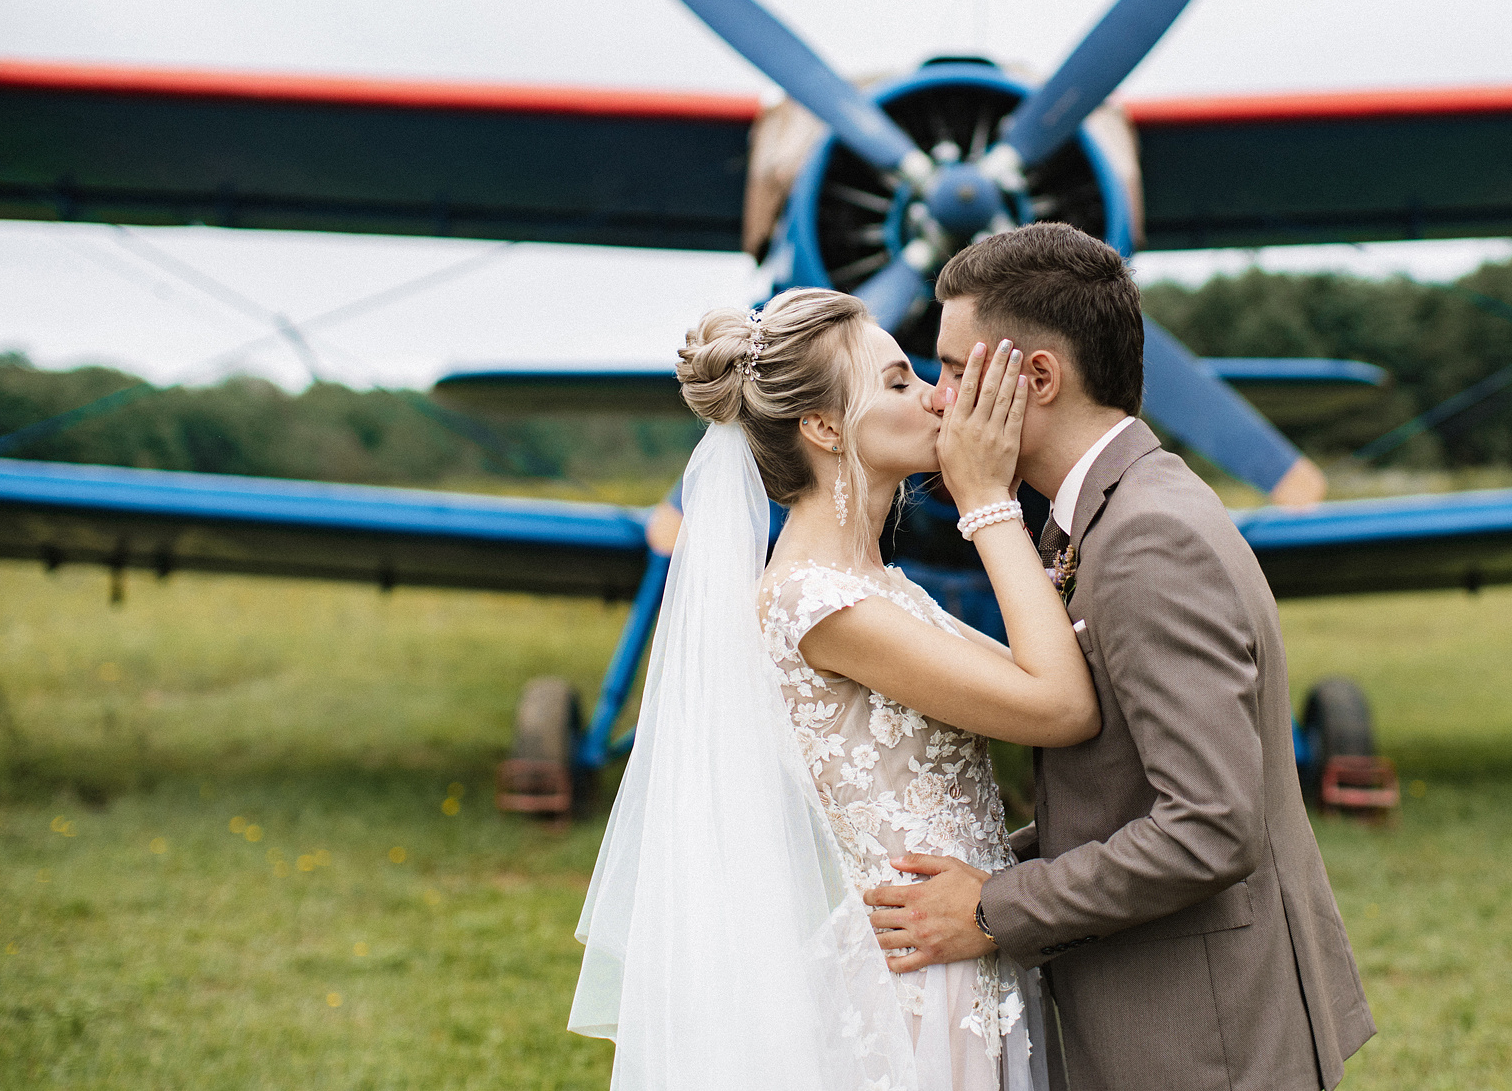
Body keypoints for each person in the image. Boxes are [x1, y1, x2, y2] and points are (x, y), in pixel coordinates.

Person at [864, 223, 1377, 1090]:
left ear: (1036, 378)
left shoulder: (1146, 538)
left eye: (956, 369)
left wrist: (992, 909)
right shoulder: (1111, 509)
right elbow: (1123, 785)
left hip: (1203, 1044)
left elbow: (1212, 826)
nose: (940, 399)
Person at [570, 285, 1095, 1090]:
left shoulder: (882, 586)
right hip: (927, 989)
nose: (935, 395)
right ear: (821, 426)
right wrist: (988, 501)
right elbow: (1059, 705)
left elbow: (1049, 669)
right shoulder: (820, 604)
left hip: (963, 945)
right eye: (896, 383)